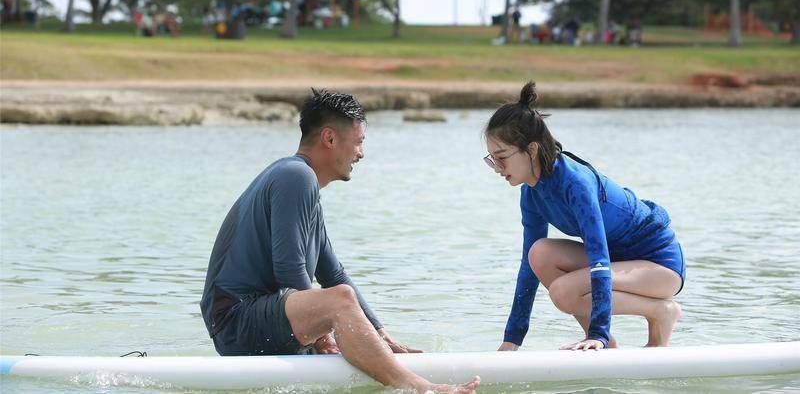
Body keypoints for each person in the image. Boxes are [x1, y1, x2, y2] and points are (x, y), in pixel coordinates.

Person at [200, 89, 480, 393]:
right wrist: (322, 334)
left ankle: (393, 369)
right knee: (339, 299)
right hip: (236, 321)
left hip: (265, 318)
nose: (361, 154)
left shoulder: (304, 187)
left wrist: (382, 336)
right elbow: (290, 271)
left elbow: (334, 273)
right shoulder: (295, 176)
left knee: (340, 296)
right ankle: (418, 388)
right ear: (329, 138)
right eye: (358, 142)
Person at [484, 82, 685, 352]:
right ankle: (608, 342)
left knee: (563, 292)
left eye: (502, 157)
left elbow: (598, 257)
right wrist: (512, 340)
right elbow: (527, 270)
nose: (497, 168)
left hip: (658, 265)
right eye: (492, 159)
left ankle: (660, 312)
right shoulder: (531, 193)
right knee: (538, 254)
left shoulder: (575, 183)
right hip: (617, 261)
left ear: (531, 149)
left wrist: (597, 333)